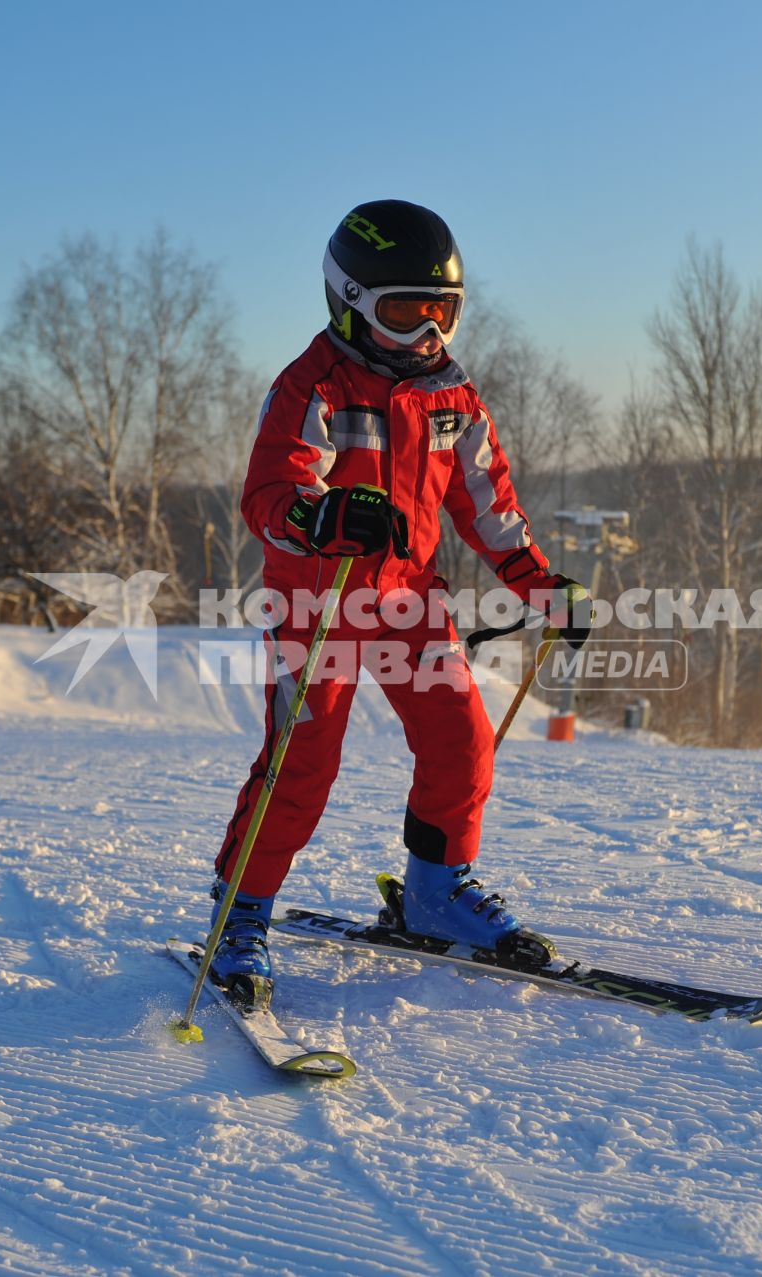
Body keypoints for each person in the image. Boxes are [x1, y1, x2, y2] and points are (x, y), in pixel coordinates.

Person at [206, 199, 589, 1007]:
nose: (429, 335)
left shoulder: (451, 395)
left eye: (443, 312)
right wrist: (323, 514)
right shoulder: (312, 383)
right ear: (348, 302)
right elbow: (271, 492)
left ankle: (435, 889)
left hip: (410, 601)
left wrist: (541, 585)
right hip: (320, 599)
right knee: (301, 764)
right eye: (406, 312)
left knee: (464, 740)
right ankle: (241, 913)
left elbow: (489, 505)